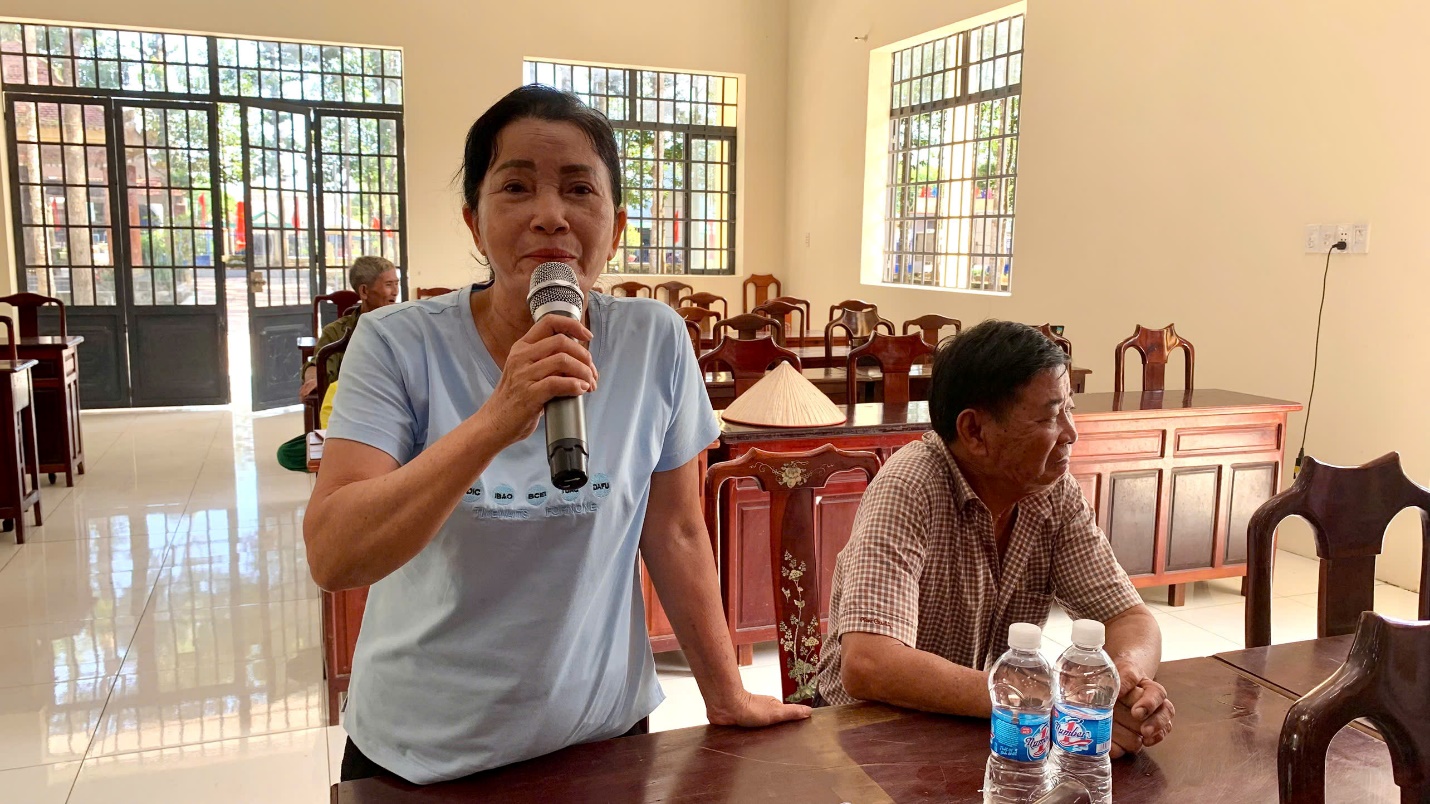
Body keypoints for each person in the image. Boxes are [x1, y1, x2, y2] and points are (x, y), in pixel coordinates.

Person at [304, 85, 808, 786]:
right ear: (475, 223)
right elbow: (334, 554)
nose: (550, 214)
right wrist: (496, 420)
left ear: (616, 226)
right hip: (423, 756)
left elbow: (677, 532)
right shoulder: (397, 343)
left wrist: (725, 693)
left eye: (579, 189)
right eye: (516, 187)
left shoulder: (654, 339)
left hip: (602, 743)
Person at [813, 320, 1176, 758]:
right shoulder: (910, 486)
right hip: (866, 738)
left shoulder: (1052, 491)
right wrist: (1038, 699)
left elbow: (1130, 618)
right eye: (1049, 417)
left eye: (1069, 410)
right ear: (974, 431)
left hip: (971, 725)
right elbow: (869, 663)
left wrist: (1121, 685)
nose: (1070, 433)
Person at [297, 255, 401, 400]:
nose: (395, 292)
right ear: (364, 291)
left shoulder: (405, 325)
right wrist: (315, 380)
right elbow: (317, 365)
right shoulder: (336, 332)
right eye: (389, 285)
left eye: (396, 284)